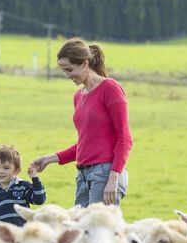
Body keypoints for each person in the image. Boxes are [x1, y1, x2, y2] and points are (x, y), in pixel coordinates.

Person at [30, 37, 132, 207]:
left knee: (98, 232)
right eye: (64, 71)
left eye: (69, 69)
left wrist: (114, 177)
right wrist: (50, 158)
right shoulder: (78, 96)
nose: (67, 75)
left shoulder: (110, 88)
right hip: (83, 175)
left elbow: (125, 138)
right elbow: (86, 144)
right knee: (79, 230)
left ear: (85, 64)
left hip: (105, 174)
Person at [0, 145, 46, 226]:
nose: (0, 171)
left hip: (22, 233)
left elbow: (39, 200)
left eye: (6, 168)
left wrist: (35, 178)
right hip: (3, 235)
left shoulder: (23, 187)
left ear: (17, 171)